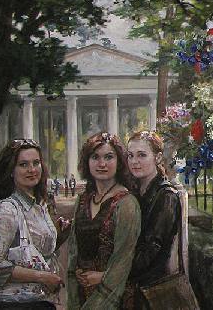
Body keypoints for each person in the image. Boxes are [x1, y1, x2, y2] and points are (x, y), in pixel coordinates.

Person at [66, 132, 141, 310]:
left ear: (119, 162)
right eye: (95, 157)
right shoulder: (83, 200)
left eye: (109, 157)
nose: (102, 164)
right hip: (81, 294)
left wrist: (102, 279)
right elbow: (73, 253)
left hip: (114, 296)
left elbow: (123, 260)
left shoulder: (127, 203)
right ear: (87, 162)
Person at [0, 139, 66, 309]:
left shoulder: (40, 205)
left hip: (42, 301)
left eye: (36, 163)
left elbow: (36, 252)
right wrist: (42, 277)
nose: (32, 170)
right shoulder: (8, 208)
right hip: (16, 304)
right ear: (11, 171)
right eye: (23, 164)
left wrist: (60, 235)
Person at [124, 131, 182, 309]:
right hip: (131, 279)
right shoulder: (133, 192)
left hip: (151, 286)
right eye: (130, 155)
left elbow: (152, 248)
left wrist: (114, 274)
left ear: (157, 157)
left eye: (142, 155)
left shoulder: (166, 196)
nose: (134, 161)